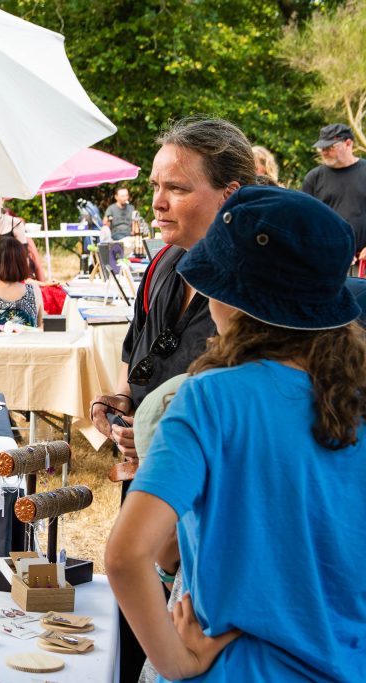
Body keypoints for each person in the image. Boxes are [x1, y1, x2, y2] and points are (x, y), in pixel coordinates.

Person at [106, 185, 366, 681]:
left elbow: (124, 555)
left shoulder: (209, 399)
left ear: (232, 298)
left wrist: (176, 661)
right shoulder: (356, 397)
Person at [88, 117, 255, 683]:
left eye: (178, 189)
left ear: (229, 194)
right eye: (155, 186)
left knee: (185, 625)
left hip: (211, 506)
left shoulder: (258, 291)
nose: (156, 203)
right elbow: (140, 361)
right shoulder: (161, 263)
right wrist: (122, 410)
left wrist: (165, 428)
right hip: (150, 479)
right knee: (138, 626)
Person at [301, 123, 366, 261]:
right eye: (322, 148)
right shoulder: (314, 178)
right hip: (328, 259)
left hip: (363, 262)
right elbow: (305, 221)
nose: (324, 152)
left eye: (330, 147)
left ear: (348, 144)